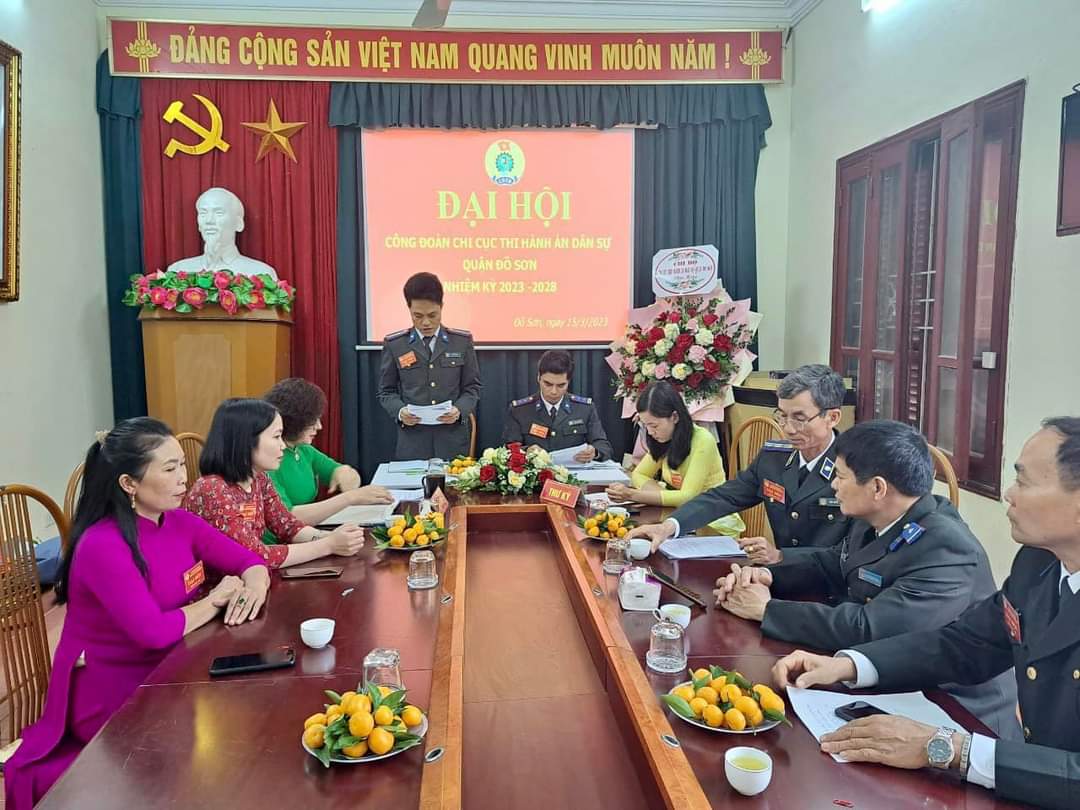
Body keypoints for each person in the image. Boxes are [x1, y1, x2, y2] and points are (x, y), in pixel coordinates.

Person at [771, 417, 1080, 810]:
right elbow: (965, 644)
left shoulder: (954, 543)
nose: (1009, 494)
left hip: (1017, 763)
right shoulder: (1038, 563)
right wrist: (848, 665)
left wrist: (949, 749)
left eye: (1025, 481)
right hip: (1025, 778)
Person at [3, 418, 270, 810]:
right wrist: (215, 600)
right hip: (113, 690)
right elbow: (152, 632)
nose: (184, 478)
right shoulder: (102, 544)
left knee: (246, 727)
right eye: (170, 469)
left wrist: (255, 584)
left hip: (172, 664)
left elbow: (249, 561)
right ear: (129, 483)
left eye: (182, 465)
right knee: (219, 758)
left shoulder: (178, 522)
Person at [715, 419, 1017, 737]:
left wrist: (767, 610)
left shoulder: (947, 547)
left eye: (840, 476)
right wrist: (764, 577)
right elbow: (832, 563)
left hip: (954, 710)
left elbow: (870, 628)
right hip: (886, 678)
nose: (833, 485)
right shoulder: (875, 516)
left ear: (877, 488)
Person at [627, 364, 851, 559]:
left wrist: (781, 556)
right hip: (777, 575)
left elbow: (849, 552)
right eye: (782, 416)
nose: (788, 429)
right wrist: (669, 526)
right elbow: (723, 497)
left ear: (832, 418)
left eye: (799, 419)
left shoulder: (853, 471)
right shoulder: (774, 459)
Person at [183, 398, 366, 568]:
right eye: (277, 436)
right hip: (218, 587)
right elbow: (254, 556)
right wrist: (328, 545)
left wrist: (334, 537)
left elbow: (288, 526)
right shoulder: (213, 489)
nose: (283, 446)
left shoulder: (260, 479)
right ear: (247, 441)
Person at [605, 381, 744, 536]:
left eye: (654, 426)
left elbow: (687, 497)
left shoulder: (703, 440)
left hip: (714, 524)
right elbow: (639, 474)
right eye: (646, 425)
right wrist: (666, 496)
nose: (650, 432)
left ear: (675, 417)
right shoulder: (663, 439)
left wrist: (632, 495)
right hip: (680, 517)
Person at [264, 377, 392, 532]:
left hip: (306, 533)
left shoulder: (304, 450)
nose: (319, 426)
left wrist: (345, 473)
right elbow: (286, 518)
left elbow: (343, 473)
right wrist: (351, 497)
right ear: (293, 422)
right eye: (312, 421)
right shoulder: (267, 461)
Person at [377, 272, 481, 460]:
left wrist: (459, 410)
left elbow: (472, 388)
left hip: (452, 439)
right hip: (413, 440)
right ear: (409, 309)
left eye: (433, 315)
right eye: (417, 316)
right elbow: (386, 392)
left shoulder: (461, 341)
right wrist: (400, 412)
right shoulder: (396, 344)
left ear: (442, 307)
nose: (426, 323)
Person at [502, 350, 613, 462]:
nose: (553, 391)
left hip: (574, 471)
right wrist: (527, 451)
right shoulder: (520, 410)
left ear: (568, 382)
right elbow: (508, 449)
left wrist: (594, 452)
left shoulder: (584, 409)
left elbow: (604, 446)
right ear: (538, 378)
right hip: (537, 471)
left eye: (561, 385)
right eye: (548, 384)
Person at [167, 187, 277, 278]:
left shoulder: (260, 274)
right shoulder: (177, 271)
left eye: (219, 213)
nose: (209, 220)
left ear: (238, 223)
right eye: (203, 213)